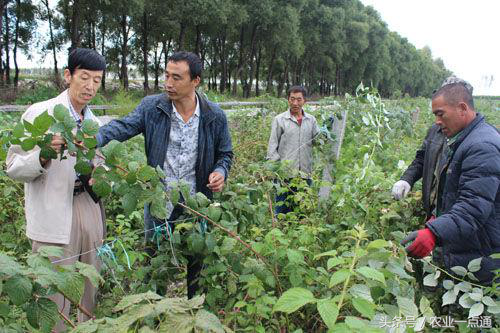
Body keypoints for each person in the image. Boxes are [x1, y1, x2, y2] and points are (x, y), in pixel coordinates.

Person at [96, 51, 233, 298]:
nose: (168, 83)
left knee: (196, 263)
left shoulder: (214, 116)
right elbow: (124, 126)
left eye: (177, 77)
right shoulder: (153, 107)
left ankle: (194, 311)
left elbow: (225, 154)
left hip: (196, 202)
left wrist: (220, 171)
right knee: (154, 262)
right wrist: (95, 137)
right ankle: (154, 311)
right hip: (160, 201)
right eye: (167, 75)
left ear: (196, 81)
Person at [6, 48, 106, 331]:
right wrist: (43, 155)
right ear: (68, 75)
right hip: (52, 212)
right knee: (54, 289)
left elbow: (102, 169)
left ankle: (87, 327)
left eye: (96, 81)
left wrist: (100, 176)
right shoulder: (40, 113)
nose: (89, 86)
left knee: (89, 283)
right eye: (84, 77)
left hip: (87, 205)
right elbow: (13, 166)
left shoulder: (94, 124)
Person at [401, 80, 500, 285]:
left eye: (440, 113)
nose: (437, 121)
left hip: (481, 252)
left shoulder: (482, 146)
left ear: (462, 108)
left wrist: (434, 233)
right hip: (467, 245)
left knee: (471, 313)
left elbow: (472, 206)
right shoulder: (463, 139)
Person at [392, 77, 473, 219]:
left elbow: (474, 201)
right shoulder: (435, 130)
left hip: (454, 219)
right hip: (434, 211)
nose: (438, 120)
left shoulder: (477, 141)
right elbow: (422, 159)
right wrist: (406, 179)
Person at [267, 85, 320, 215]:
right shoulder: (280, 120)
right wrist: (276, 170)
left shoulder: (311, 120)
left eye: (299, 99)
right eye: (292, 99)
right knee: (282, 210)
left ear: (304, 101)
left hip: (305, 174)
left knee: (302, 211)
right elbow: (272, 147)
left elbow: (318, 142)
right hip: (285, 175)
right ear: (288, 100)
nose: (295, 103)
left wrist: (325, 132)